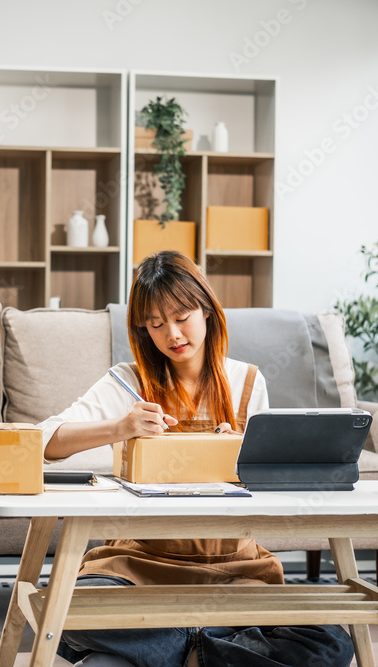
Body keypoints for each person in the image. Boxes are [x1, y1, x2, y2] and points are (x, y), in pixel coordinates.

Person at [39, 251, 355, 667]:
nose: (172, 333)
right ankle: (210, 649)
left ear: (207, 309)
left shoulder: (247, 382)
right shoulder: (128, 382)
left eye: (182, 316)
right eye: (155, 324)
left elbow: (264, 489)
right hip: (137, 566)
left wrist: (247, 453)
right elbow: (44, 441)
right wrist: (119, 427)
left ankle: (173, 649)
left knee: (330, 639)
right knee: (71, 605)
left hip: (234, 571)